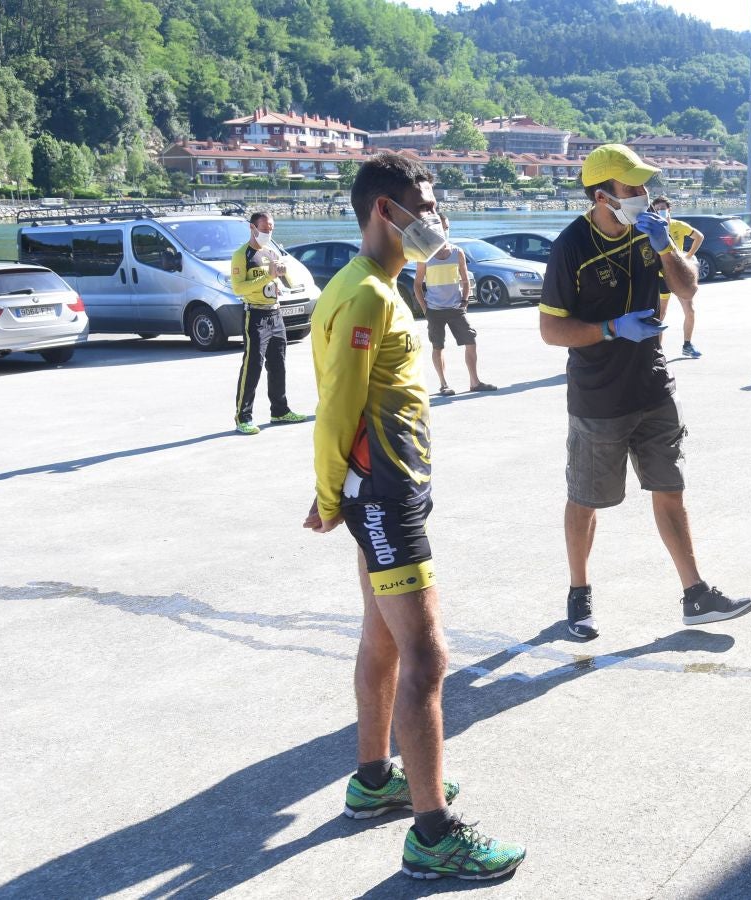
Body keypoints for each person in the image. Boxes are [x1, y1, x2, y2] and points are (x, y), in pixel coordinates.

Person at [303, 151, 524, 881]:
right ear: (383, 212)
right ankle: (434, 834)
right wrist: (332, 492)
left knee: (383, 640)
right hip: (387, 497)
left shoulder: (369, 286)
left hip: (382, 490)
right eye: (423, 205)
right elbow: (336, 402)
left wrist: (340, 486)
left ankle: (374, 782)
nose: (435, 217)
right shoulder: (367, 296)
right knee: (427, 656)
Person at [540, 143, 751, 640]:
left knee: (670, 491)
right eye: (632, 187)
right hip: (598, 398)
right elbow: (552, 331)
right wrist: (611, 329)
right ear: (601, 196)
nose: (643, 194)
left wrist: (664, 246)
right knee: (586, 499)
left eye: (644, 185)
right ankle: (579, 595)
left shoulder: (649, 234)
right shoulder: (570, 246)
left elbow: (687, 290)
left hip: (654, 386)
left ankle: (696, 595)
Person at [230, 212, 308, 434]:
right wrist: (267, 276)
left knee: (278, 364)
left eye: (271, 229)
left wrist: (283, 272)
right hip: (254, 316)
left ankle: (280, 411)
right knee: (252, 366)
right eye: (264, 229)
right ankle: (243, 417)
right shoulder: (241, 255)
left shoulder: (272, 252)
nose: (268, 233)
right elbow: (238, 289)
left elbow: (288, 282)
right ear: (252, 228)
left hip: (275, 314)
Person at [411, 212, 496, 396]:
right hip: (434, 309)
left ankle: (475, 382)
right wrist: (425, 309)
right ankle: (444, 384)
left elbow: (465, 280)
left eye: (447, 227)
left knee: (471, 341)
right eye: (442, 227)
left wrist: (464, 301)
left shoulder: (457, 252)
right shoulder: (424, 256)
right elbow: (417, 284)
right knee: (438, 346)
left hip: (456, 308)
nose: (445, 231)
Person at [650, 195, 704, 357]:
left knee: (690, 309)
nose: (660, 211)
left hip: (679, 275)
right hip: (661, 276)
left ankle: (687, 344)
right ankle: (657, 350)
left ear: (669, 210)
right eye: (657, 209)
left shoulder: (678, 226)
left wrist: (687, 258)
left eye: (662, 209)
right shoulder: (651, 229)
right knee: (660, 314)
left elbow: (699, 237)